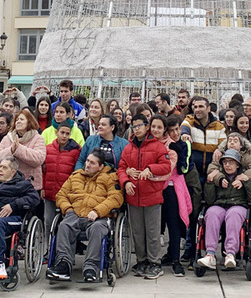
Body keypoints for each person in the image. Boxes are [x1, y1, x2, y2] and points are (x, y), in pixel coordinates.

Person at [49, 150, 125, 282]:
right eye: (87, 161)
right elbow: (61, 195)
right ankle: (63, 264)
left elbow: (116, 198)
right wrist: (68, 209)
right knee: (64, 225)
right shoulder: (75, 176)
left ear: (101, 167)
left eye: (92, 163)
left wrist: (97, 211)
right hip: (75, 213)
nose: (87, 165)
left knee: (97, 229)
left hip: (98, 216)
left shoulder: (110, 178)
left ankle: (91, 267)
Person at [118, 114, 171, 279]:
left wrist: (151, 168)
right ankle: (141, 260)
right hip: (133, 197)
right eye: (134, 126)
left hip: (152, 197)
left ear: (147, 126)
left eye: (140, 125)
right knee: (138, 232)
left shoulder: (157, 146)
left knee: (152, 231)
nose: (137, 129)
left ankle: (154, 262)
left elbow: (166, 166)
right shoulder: (129, 147)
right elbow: (121, 167)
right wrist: (125, 181)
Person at [197, 147, 251, 271]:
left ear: (237, 164)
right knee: (211, 213)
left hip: (238, 205)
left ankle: (230, 253)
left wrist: (247, 182)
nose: (227, 165)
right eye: (225, 162)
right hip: (220, 205)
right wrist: (210, 182)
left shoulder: (243, 177)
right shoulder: (219, 177)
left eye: (231, 162)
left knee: (233, 214)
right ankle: (210, 254)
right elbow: (209, 200)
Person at [151, 114, 191, 277]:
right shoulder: (150, 142)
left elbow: (174, 168)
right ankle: (155, 257)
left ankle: (175, 260)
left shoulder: (175, 146)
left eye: (177, 129)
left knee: (173, 223)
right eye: (171, 130)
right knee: (155, 224)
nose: (175, 133)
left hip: (171, 187)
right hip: (153, 186)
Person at [0, 110, 46, 193]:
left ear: (29, 122)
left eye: (22, 119)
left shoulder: (38, 138)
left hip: (30, 186)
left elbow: (39, 159)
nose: (18, 121)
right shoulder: (8, 138)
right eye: (17, 120)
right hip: (8, 185)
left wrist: (18, 149)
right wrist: (11, 150)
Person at [42, 120, 81, 233]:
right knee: (48, 221)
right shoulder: (48, 149)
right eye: (62, 132)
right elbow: (43, 171)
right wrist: (43, 188)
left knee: (66, 224)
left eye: (67, 133)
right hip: (50, 192)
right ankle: (48, 247)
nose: (64, 136)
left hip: (67, 194)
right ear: (56, 132)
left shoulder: (75, 151)